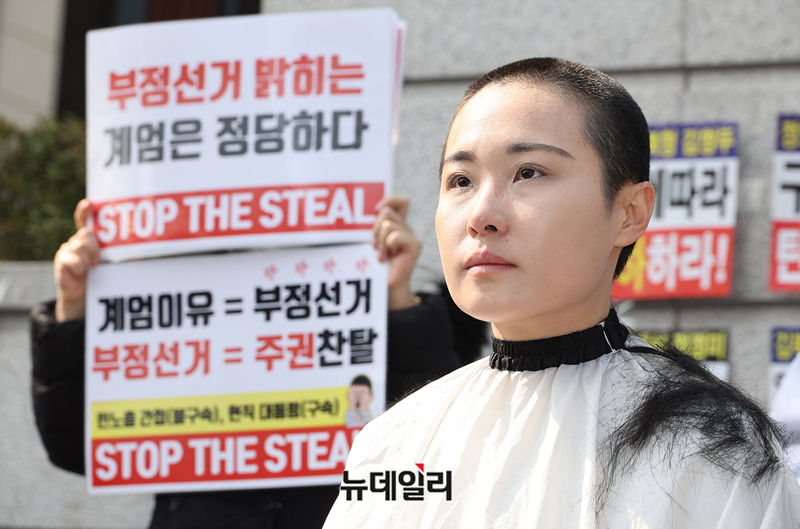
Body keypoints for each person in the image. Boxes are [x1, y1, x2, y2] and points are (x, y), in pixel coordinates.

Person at [323, 58, 800, 528]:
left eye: (529, 172)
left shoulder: (713, 447)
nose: (481, 216)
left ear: (630, 212)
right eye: (461, 181)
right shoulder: (392, 441)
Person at [30, 196, 485, 529]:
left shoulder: (363, 296)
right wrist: (73, 307)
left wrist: (395, 294)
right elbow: (77, 445)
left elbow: (427, 451)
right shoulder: (172, 304)